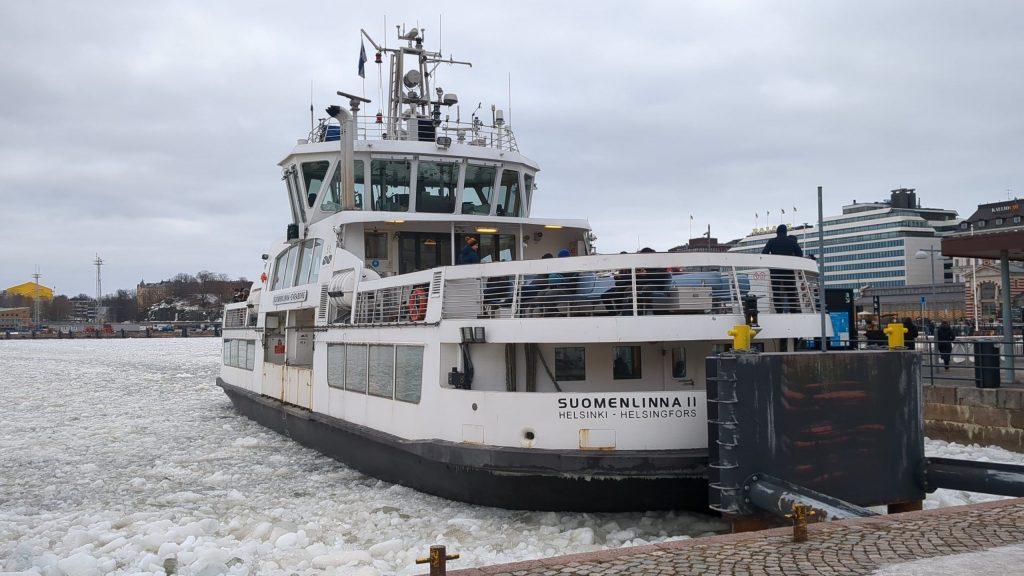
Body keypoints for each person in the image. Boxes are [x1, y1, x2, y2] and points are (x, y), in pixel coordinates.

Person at [761, 225, 803, 313]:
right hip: (788, 271)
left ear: (777, 232)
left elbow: (764, 254)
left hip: (775, 271)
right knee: (791, 291)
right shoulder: (792, 242)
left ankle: (779, 310)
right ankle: (793, 310)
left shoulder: (772, 241)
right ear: (786, 232)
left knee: (776, 292)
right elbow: (800, 254)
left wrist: (771, 263)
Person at [636, 247, 672, 314]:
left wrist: (646, 273)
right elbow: (642, 279)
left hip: (658, 285)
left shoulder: (660, 263)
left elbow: (660, 275)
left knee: (646, 289)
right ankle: (629, 313)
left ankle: (645, 312)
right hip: (647, 284)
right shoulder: (644, 264)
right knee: (631, 289)